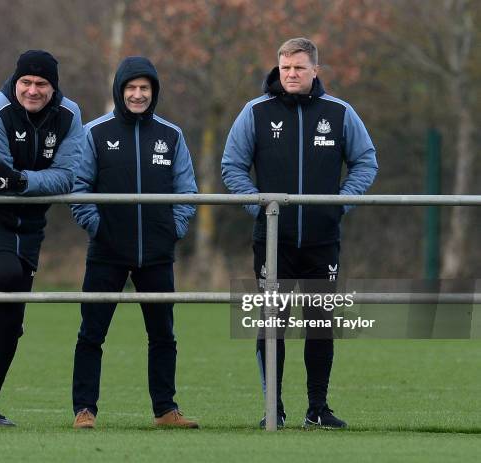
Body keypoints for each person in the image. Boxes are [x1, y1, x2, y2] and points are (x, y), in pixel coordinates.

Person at [221, 38, 378, 429]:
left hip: (323, 240)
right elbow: (232, 167)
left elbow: (365, 162)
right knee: (272, 324)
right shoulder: (254, 112)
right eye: (285, 67)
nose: (291, 74)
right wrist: (259, 206)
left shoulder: (339, 113)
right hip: (272, 241)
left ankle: (318, 409)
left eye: (299, 68)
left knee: (320, 325)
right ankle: (273, 408)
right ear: (278, 68)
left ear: (315, 71)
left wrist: (340, 203)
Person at [0, 50, 83, 428]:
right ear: (16, 81)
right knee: (5, 276)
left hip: (29, 218)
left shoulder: (70, 115)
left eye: (42, 83)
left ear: (54, 87)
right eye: (26, 82)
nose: (33, 90)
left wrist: (23, 181)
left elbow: (67, 177)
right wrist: (27, 182)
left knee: (11, 322)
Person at [70, 56, 198, 429]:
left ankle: (165, 411)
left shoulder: (171, 136)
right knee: (91, 333)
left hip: (157, 254)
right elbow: (80, 190)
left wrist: (172, 229)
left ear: (153, 92)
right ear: (120, 91)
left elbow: (187, 190)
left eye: (145, 88)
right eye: (131, 88)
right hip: (106, 252)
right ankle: (84, 410)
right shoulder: (94, 133)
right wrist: (98, 227)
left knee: (163, 335)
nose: (138, 95)